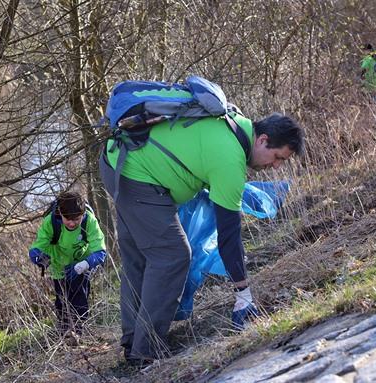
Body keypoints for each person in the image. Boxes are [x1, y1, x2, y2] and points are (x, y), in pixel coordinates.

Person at [99, 109, 305, 367]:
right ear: (262, 140)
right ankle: (145, 353)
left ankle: (134, 344)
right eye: (277, 157)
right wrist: (243, 293)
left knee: (140, 257)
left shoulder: (231, 121)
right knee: (172, 256)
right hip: (135, 174)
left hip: (117, 157)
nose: (274, 166)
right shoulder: (231, 159)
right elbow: (228, 235)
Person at [28, 191, 107, 344]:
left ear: (83, 214)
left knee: (80, 299)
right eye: (67, 219)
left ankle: (77, 334)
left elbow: (100, 250)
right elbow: (38, 246)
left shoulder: (89, 221)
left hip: (82, 263)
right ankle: (65, 333)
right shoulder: (50, 222)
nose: (71, 223)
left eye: (76, 219)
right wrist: (38, 257)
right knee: (62, 301)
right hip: (59, 266)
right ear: (60, 213)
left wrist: (83, 265)